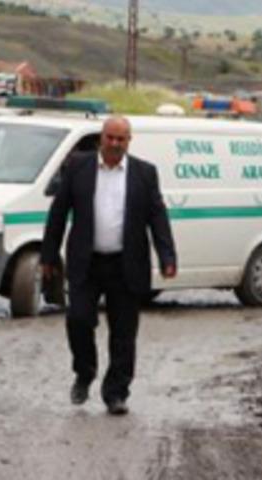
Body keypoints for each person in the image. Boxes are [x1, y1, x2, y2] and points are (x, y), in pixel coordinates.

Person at [40, 116, 177, 416]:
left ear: (129, 141)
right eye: (110, 138)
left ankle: (116, 392)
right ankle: (85, 372)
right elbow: (59, 212)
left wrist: (167, 256)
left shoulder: (144, 173)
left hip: (126, 264)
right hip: (86, 263)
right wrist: (48, 255)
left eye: (121, 139)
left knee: (124, 333)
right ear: (101, 138)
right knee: (78, 320)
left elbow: (157, 216)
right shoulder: (78, 167)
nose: (115, 144)